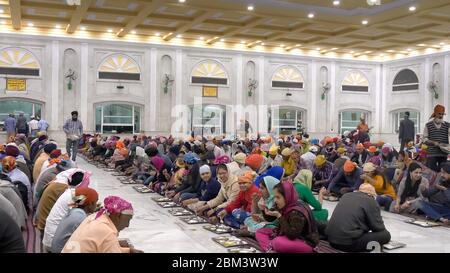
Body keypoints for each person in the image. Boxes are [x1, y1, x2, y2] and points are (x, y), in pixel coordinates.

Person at [62, 196, 143, 253]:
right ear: (118, 216)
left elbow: (103, 248)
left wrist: (128, 250)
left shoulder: (94, 217)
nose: (127, 225)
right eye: (127, 220)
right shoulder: (107, 231)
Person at [255, 182, 320, 253]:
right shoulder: (284, 203)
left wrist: (279, 216)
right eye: (274, 197)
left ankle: (272, 247)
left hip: (303, 241)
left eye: (278, 197)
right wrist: (263, 209)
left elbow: (292, 235)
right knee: (260, 231)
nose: (275, 200)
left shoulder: (297, 211)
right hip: (286, 236)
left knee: (278, 242)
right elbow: (270, 218)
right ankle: (270, 249)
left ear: (286, 196)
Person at [326, 183, 391, 252]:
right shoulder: (371, 201)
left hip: (331, 240)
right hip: (347, 244)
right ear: (371, 195)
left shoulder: (346, 195)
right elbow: (379, 228)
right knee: (385, 235)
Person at [51, 187, 99, 253]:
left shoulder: (75, 211)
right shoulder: (80, 217)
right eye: (95, 202)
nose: (96, 205)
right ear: (90, 204)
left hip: (55, 248)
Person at [423, 104, 450, 172]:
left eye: (442, 114)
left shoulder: (447, 125)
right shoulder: (428, 125)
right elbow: (424, 139)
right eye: (439, 114)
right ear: (435, 113)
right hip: (432, 154)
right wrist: (433, 142)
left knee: (442, 173)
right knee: (431, 172)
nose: (441, 116)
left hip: (443, 153)